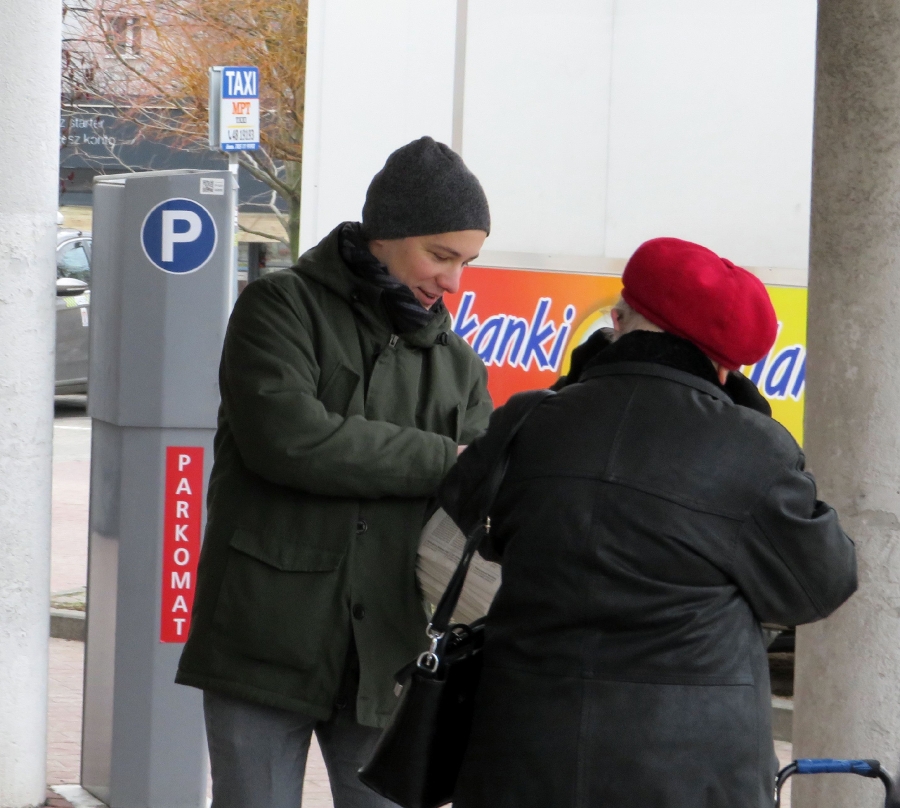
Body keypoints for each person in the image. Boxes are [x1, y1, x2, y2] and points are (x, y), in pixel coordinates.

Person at [440, 237, 857, 808]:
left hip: (520, 756)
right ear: (726, 366)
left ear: (616, 322)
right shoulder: (753, 449)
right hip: (688, 771)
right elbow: (821, 585)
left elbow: (471, 513)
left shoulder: (530, 419)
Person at [175, 136, 493, 808]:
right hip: (263, 639)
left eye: (466, 262)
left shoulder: (459, 365)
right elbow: (288, 440)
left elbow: (475, 495)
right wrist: (444, 458)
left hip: (389, 654)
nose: (454, 282)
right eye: (441, 256)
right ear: (386, 234)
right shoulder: (279, 306)